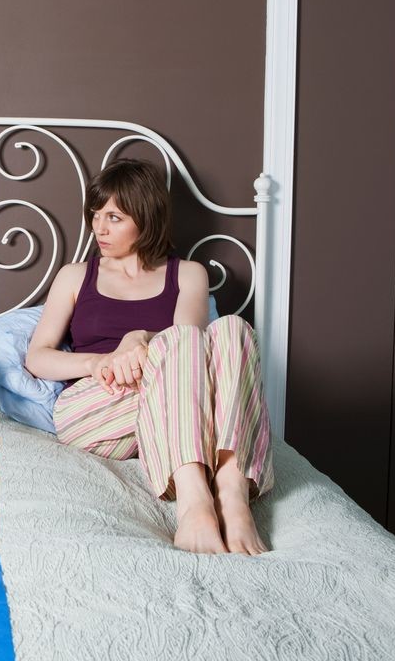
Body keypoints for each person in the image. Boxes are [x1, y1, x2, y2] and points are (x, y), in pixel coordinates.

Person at [25, 158, 273, 555]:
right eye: (95, 214)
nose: (98, 228)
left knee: (230, 329)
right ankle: (194, 501)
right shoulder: (75, 276)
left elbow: (190, 346)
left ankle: (232, 493)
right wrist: (98, 362)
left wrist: (139, 338)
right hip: (96, 404)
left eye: (114, 217)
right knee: (185, 343)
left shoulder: (188, 274)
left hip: (174, 400)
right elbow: (37, 357)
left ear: (146, 218)